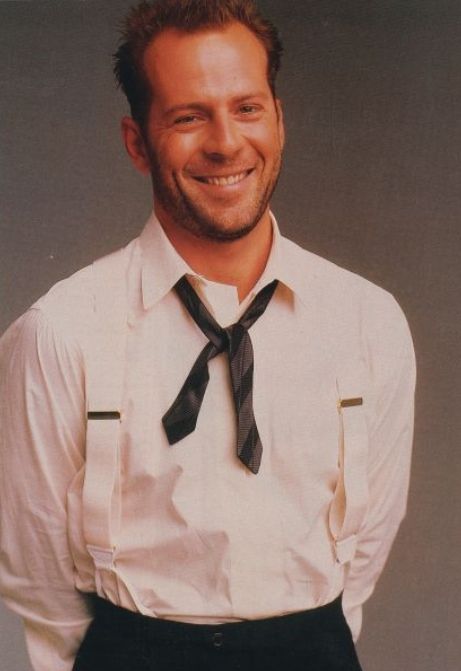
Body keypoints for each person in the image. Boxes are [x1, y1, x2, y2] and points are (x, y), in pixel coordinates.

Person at [0, 1, 416, 670]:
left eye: (247, 108)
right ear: (137, 142)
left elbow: (365, 549)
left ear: (278, 120)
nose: (225, 143)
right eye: (189, 117)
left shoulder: (368, 321)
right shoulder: (61, 332)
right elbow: (36, 570)